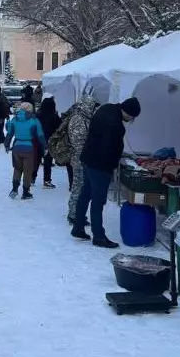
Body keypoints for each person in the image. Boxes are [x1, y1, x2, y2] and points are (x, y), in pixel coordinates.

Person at [71, 97, 141, 248]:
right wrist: (113, 165)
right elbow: (109, 149)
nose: (131, 119)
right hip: (100, 166)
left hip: (88, 159)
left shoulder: (106, 108)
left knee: (85, 194)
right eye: (131, 116)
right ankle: (99, 236)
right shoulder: (116, 125)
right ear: (127, 112)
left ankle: (78, 227)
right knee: (98, 200)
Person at [66, 95, 98, 224]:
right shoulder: (79, 119)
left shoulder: (79, 117)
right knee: (78, 187)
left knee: (79, 186)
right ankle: (74, 214)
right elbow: (78, 141)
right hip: (80, 158)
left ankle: (76, 213)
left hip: (79, 157)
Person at [4, 102, 45, 200]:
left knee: (17, 168)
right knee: (27, 171)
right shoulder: (34, 120)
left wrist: (6, 145)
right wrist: (45, 147)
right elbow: (40, 135)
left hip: (17, 147)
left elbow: (9, 134)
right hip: (29, 147)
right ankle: (26, 192)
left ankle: (14, 189)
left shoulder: (15, 119)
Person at [33, 96, 60, 189]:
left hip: (38, 140)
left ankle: (32, 178)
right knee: (48, 161)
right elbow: (59, 128)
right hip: (49, 141)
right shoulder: (54, 116)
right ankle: (47, 180)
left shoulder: (38, 115)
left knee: (36, 160)